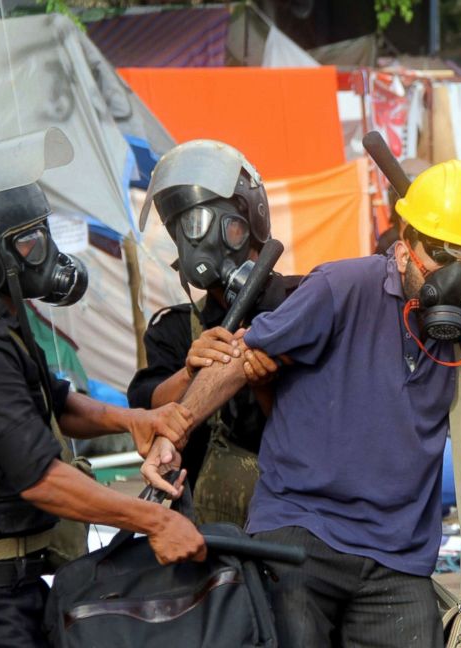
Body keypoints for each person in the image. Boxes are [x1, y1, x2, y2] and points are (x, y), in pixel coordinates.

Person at [141, 158, 461, 648]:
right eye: (442, 255)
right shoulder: (342, 287)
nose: (453, 275)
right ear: (407, 242)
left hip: (398, 554)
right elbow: (238, 359)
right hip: (304, 531)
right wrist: (172, 434)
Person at [0, 130, 205, 647]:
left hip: (16, 584)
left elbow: (54, 400)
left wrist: (132, 419)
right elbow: (41, 479)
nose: (44, 253)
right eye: (28, 242)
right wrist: (153, 520)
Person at [128, 140, 299, 526]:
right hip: (204, 530)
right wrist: (190, 372)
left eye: (211, 224)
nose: (196, 242)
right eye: (183, 229)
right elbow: (147, 409)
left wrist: (264, 383)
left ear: (251, 225)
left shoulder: (300, 303)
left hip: (291, 522)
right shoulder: (174, 329)